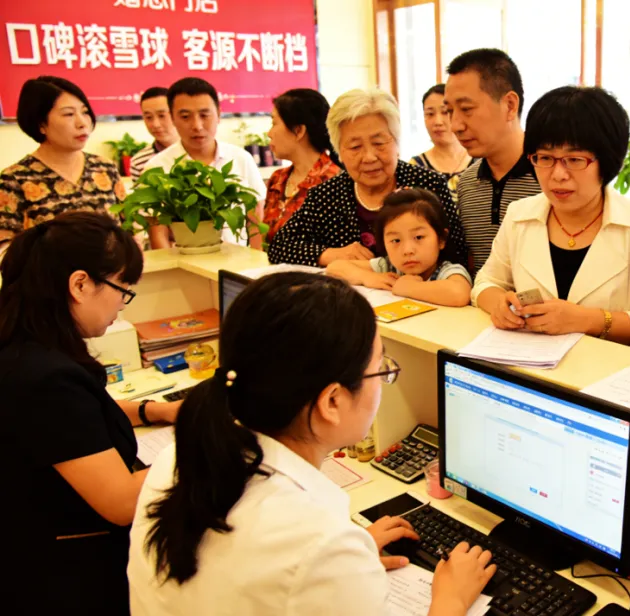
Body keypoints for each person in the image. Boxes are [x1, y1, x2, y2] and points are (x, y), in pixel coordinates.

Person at [127, 272, 495, 614]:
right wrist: (450, 599)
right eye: (379, 369)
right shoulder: (319, 545)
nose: (383, 381)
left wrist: (351, 552)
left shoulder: (181, 456)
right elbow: (300, 554)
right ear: (332, 401)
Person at [0, 212, 179, 614]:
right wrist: (210, 441)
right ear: (80, 284)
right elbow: (120, 502)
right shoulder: (43, 378)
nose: (122, 305)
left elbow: (80, 418)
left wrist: (157, 410)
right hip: (62, 575)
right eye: (122, 289)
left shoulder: (24, 342)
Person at [473, 86, 630, 349]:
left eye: (575, 159)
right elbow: (486, 282)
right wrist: (498, 304)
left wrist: (587, 320)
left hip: (605, 370)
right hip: (527, 364)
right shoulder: (519, 215)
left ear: (607, 161)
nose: (558, 174)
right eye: (545, 157)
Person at [268, 88, 468, 269]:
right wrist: (330, 254)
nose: (369, 157)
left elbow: (457, 250)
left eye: (379, 143)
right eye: (355, 147)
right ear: (340, 152)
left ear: (397, 143)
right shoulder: (327, 195)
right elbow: (279, 246)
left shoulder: (427, 184)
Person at [0, 77, 126, 250]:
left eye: (85, 112)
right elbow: (6, 250)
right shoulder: (15, 179)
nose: (82, 123)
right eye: (69, 114)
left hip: (112, 267)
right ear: (41, 124)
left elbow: (129, 228)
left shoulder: (104, 168)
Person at [445, 49, 542, 273]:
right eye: (450, 111)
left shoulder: (551, 177)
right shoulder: (467, 182)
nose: (455, 125)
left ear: (510, 105)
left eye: (466, 109)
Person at [143, 78, 267, 249]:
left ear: (219, 114)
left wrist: (256, 259)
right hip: (183, 261)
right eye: (185, 117)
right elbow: (158, 231)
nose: (197, 126)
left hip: (238, 260)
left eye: (204, 115)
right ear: (172, 118)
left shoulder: (241, 158)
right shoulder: (156, 167)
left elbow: (256, 218)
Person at [326, 189, 472, 306]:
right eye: (396, 240)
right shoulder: (388, 267)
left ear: (441, 239)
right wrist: (367, 277)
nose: (407, 250)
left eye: (419, 237)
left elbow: (459, 293)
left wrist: (409, 288)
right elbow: (335, 267)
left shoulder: (447, 271)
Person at [263, 88, 342, 245]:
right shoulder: (277, 180)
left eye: (274, 123)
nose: (269, 133)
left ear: (298, 131)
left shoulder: (334, 181)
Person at [411, 84, 475, 198]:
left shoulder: (481, 161)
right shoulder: (415, 167)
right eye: (430, 114)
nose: (438, 122)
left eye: (445, 112)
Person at [130, 87, 179, 182]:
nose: (156, 124)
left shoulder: (199, 150)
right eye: (148, 117)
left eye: (162, 115)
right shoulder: (139, 162)